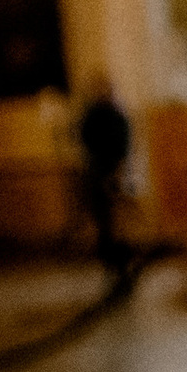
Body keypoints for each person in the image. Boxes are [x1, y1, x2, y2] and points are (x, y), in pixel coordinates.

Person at [73, 74, 130, 268]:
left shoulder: (117, 115)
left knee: (116, 211)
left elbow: (124, 142)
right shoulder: (91, 115)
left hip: (112, 166)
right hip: (96, 167)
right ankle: (106, 247)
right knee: (101, 211)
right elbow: (83, 138)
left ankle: (118, 248)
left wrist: (119, 167)